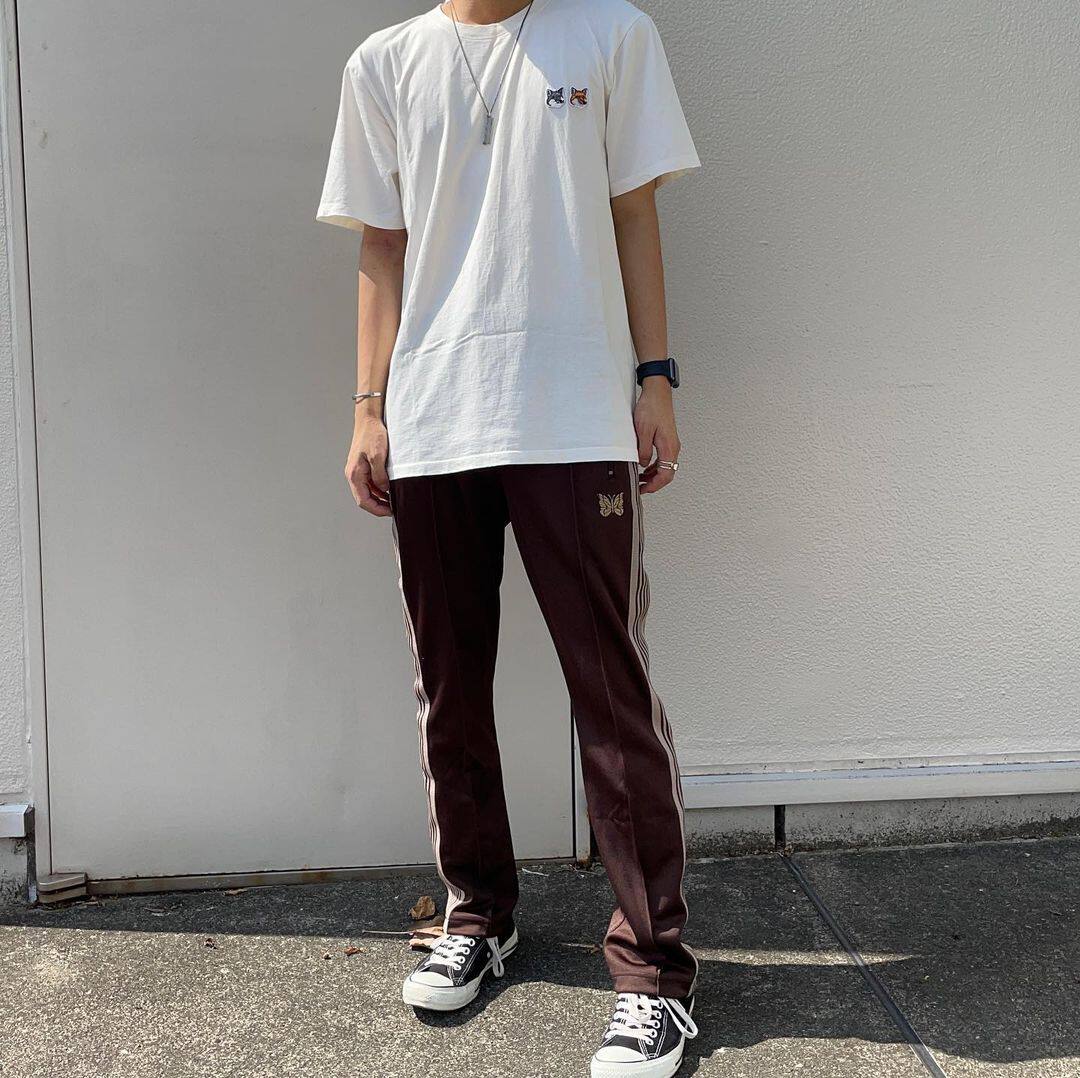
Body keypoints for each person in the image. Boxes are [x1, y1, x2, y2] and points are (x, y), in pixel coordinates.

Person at [317, 0, 700, 1073]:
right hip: (436, 418)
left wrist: (656, 379)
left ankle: (656, 975)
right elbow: (382, 244)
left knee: (611, 693)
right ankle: (479, 912)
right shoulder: (385, 63)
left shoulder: (610, 34)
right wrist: (367, 408)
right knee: (450, 685)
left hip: (574, 414)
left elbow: (633, 210)